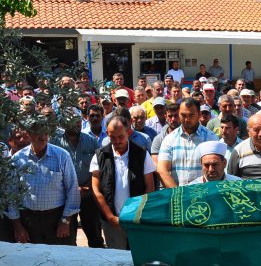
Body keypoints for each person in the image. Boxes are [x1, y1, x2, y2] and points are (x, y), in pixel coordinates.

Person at [7, 117, 80, 244]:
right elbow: (12, 194)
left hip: (57, 219)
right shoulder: (18, 159)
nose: (42, 137)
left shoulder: (62, 156)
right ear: (28, 135)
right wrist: (18, 226)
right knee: (34, 261)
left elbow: (73, 190)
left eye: (45, 133)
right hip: (29, 222)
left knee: (63, 260)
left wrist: (65, 221)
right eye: (37, 133)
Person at [90, 116, 155, 249]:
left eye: (120, 136)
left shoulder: (142, 154)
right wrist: (110, 217)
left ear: (128, 132)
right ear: (107, 134)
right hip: (111, 222)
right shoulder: (100, 155)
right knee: (116, 260)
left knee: (137, 255)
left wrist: (137, 215)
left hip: (137, 220)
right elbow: (96, 190)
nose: (117, 141)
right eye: (112, 137)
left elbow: (150, 187)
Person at [51, 111, 104, 248]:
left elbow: (99, 166)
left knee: (95, 234)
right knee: (68, 236)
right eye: (72, 121)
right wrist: (74, 189)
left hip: (88, 195)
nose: (76, 124)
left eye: (78, 121)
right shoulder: (55, 142)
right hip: (64, 197)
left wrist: (89, 187)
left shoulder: (91, 141)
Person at [157, 98, 219, 187]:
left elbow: (217, 170)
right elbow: (162, 169)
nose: (186, 119)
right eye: (183, 115)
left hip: (204, 194)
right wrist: (179, 193)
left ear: (199, 115)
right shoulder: (169, 139)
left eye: (191, 115)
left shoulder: (211, 138)